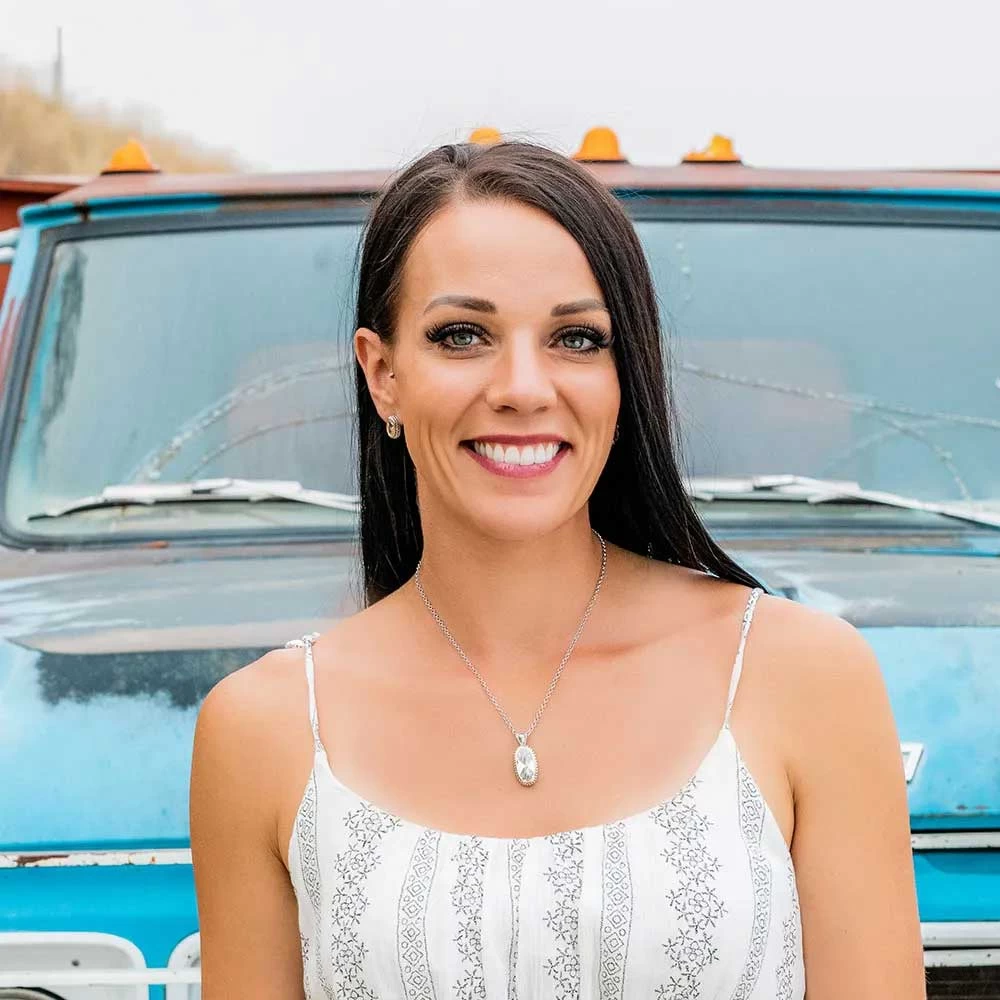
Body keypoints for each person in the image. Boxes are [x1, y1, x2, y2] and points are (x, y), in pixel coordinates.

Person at [189, 140, 925, 999]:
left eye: (577, 339)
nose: (524, 387)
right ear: (383, 375)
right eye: (462, 336)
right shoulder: (262, 729)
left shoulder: (801, 676)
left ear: (625, 375)